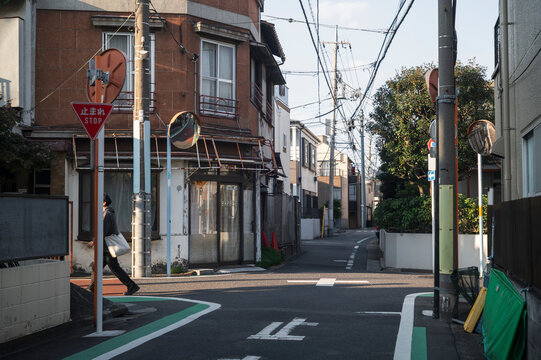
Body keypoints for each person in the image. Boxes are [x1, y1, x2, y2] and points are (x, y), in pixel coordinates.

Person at [88, 194, 139, 296]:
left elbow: (103, 231)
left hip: (107, 248)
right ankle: (92, 288)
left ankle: (131, 286)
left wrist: (93, 242)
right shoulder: (108, 212)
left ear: (104, 203)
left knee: (114, 268)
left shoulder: (107, 214)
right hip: (105, 247)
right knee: (96, 267)